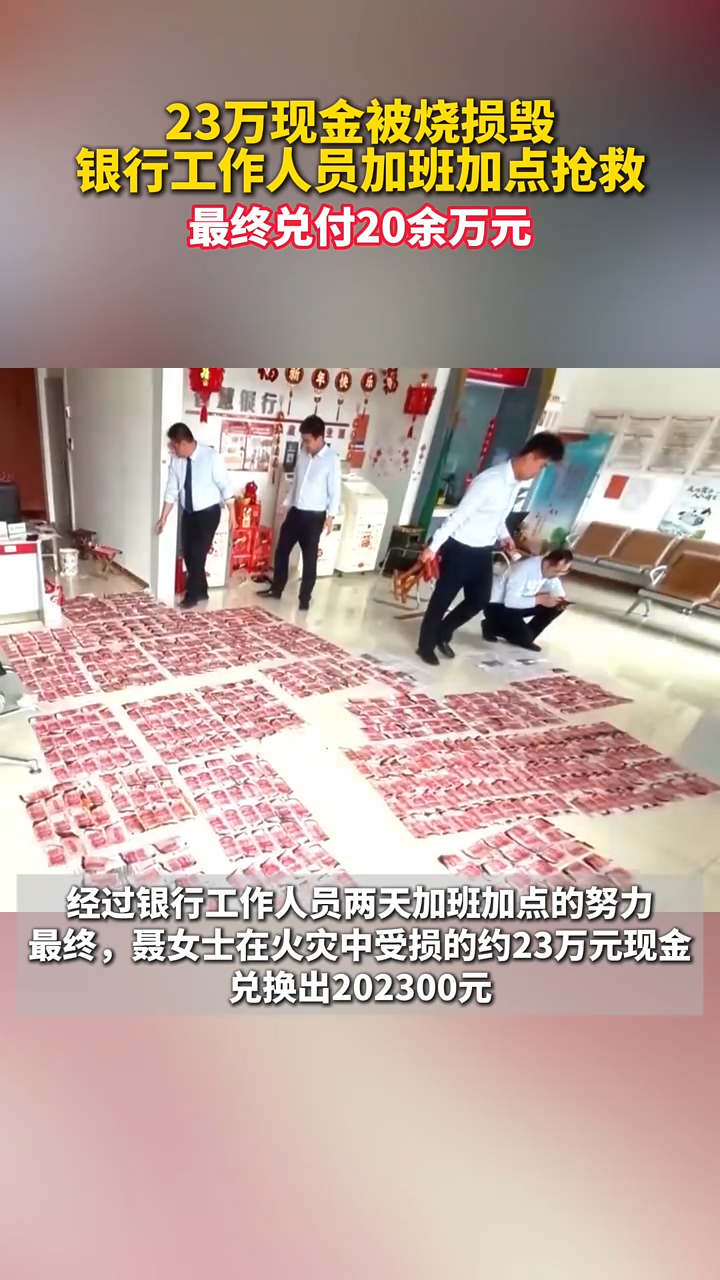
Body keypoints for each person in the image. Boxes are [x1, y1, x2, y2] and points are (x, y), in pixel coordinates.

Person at [415, 432, 565, 665]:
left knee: (479, 600)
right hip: (459, 548)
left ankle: (443, 632)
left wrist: (505, 536)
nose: (538, 472)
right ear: (531, 457)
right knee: (441, 600)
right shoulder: (490, 481)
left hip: (482, 550)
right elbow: (459, 516)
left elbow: (498, 517)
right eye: (542, 465)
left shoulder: (515, 485)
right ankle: (425, 646)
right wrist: (433, 547)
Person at [257, 415, 341, 612]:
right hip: (296, 513)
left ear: (320, 438)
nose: (305, 444)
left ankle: (304, 599)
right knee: (281, 551)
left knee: (309, 559)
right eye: (303, 440)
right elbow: (296, 483)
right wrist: (286, 503)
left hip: (314, 517)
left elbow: (335, 491)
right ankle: (276, 589)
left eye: (308, 440)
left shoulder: (331, 460)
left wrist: (330, 516)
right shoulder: (303, 454)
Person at [155, 422, 236, 609]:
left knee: (198, 554)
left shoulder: (211, 457)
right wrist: (163, 518)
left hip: (208, 514)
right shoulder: (177, 461)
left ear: (183, 443)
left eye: (174, 445)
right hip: (189, 514)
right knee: (189, 556)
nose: (172, 449)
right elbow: (172, 490)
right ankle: (201, 591)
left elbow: (225, 486)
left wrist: (233, 514)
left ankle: (191, 596)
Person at [483, 547, 574, 651]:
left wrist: (560, 599)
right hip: (498, 606)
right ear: (548, 564)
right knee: (524, 637)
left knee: (556, 607)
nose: (558, 575)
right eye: (557, 571)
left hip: (519, 604)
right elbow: (511, 602)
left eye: (563, 572)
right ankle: (491, 626)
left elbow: (555, 586)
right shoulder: (523, 569)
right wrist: (541, 600)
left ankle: (525, 637)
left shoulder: (548, 570)